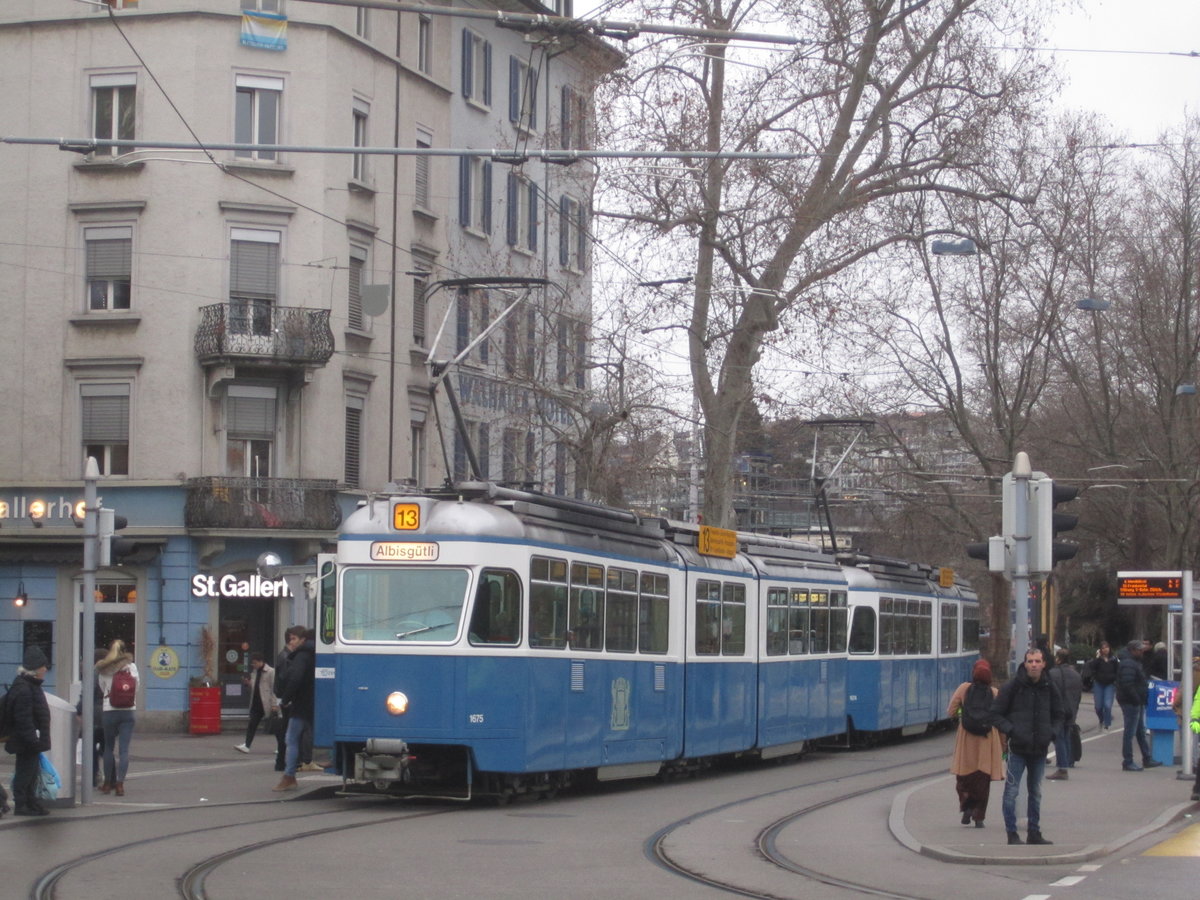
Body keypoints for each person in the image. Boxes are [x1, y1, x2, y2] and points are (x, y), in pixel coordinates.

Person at [991, 646, 1065, 846]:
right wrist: (1011, 730)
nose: (1034, 665)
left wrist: (1052, 733)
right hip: (1017, 749)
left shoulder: (1049, 686)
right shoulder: (1013, 686)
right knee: (1011, 792)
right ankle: (1012, 833)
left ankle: (1034, 832)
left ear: (1043, 664)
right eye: (1030, 661)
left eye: (1037, 661)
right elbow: (995, 713)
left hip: (1039, 748)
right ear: (1025, 663)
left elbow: (1060, 713)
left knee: (1036, 791)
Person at [947, 659, 1005, 827]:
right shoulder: (995, 693)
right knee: (983, 781)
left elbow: (951, 711)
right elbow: (1000, 721)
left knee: (964, 777)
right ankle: (979, 818)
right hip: (988, 739)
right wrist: (1003, 745)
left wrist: (962, 714)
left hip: (966, 739)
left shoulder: (964, 689)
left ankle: (966, 806)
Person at [4, 647, 52, 816]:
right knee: (25, 772)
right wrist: (33, 739)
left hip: (30, 739)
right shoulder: (25, 688)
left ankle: (31, 802)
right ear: (35, 669)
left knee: (31, 772)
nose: (45, 669)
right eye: (42, 666)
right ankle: (22, 804)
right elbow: (23, 718)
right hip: (27, 741)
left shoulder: (29, 685)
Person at [274, 626, 315, 791]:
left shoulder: (301, 656)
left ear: (302, 639)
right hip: (315, 703)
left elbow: (295, 679)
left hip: (301, 705)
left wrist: (285, 699)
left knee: (291, 739)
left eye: (293, 639)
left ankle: (289, 775)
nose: (291, 642)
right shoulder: (316, 654)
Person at [96, 639, 139, 796]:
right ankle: (120, 784)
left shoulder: (104, 668)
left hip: (109, 711)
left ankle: (108, 783)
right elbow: (137, 687)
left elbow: (102, 688)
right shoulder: (132, 667)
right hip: (128, 711)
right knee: (124, 750)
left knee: (108, 747)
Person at [1116, 638, 1162, 772]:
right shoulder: (1129, 664)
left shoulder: (1132, 662)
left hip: (1135, 700)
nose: (1142, 651)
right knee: (1130, 732)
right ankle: (1128, 760)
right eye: (1139, 649)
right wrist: (1137, 699)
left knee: (1139, 731)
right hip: (1131, 701)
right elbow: (1127, 684)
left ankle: (1146, 757)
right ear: (1133, 650)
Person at [1046, 648, 1083, 780]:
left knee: (1059, 738)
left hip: (1058, 710)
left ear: (1058, 659)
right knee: (1066, 735)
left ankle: (1062, 767)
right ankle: (1068, 761)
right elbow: (1079, 695)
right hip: (1071, 709)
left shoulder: (1052, 673)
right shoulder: (1076, 675)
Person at [75, 648, 107, 787]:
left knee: (91, 746)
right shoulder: (112, 672)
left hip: (94, 714)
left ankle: (94, 775)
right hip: (109, 713)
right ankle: (110, 778)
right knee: (107, 747)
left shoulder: (94, 673)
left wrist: (78, 710)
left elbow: (87, 693)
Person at [235, 652, 276, 754]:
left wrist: (274, 704)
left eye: (255, 663)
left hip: (266, 702)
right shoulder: (255, 672)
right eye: (253, 663)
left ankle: (281, 747)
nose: (254, 665)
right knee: (252, 724)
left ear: (261, 662)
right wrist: (248, 684)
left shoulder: (270, 672)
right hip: (257, 702)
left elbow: (274, 688)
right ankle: (247, 745)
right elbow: (255, 686)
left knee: (276, 727)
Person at [1084, 641, 1119, 731]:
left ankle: (1106, 724)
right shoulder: (1098, 660)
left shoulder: (1114, 660)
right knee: (1098, 706)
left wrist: (1115, 680)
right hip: (1099, 684)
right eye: (1103, 648)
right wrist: (1097, 658)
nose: (1105, 649)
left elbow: (1118, 671)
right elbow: (1091, 667)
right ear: (1100, 650)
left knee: (1107, 705)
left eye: (1107, 647)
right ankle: (1101, 719)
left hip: (1110, 684)